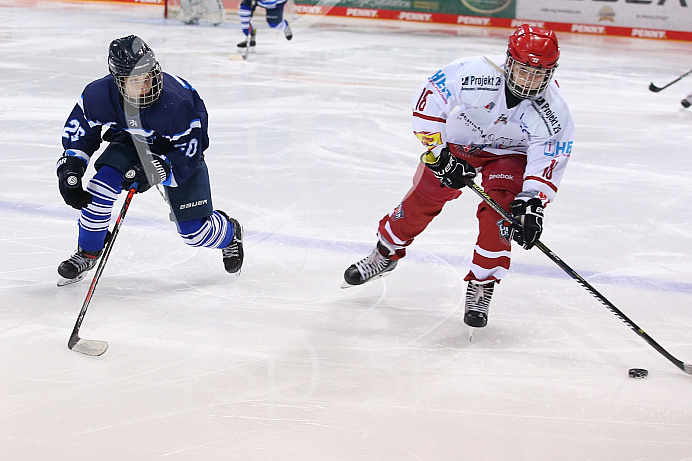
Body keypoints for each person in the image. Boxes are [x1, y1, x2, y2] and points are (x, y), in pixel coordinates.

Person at [342, 24, 575, 329]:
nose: (531, 81)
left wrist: (533, 202)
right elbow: (429, 98)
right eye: (524, 70)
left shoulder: (553, 108)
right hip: (460, 142)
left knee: (500, 213)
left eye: (540, 73)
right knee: (425, 196)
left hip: (511, 154)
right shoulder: (475, 72)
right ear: (509, 61)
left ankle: (482, 283)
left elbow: (551, 154)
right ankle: (385, 252)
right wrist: (437, 153)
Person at [56, 35, 244, 284]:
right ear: (118, 81)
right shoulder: (98, 95)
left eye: (149, 76)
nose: (146, 85)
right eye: (135, 80)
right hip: (132, 140)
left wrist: (157, 170)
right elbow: (81, 130)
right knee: (100, 187)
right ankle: (89, 250)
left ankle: (229, 233)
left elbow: (191, 150)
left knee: (194, 233)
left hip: (175, 152)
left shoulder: (177, 103)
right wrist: (71, 167)